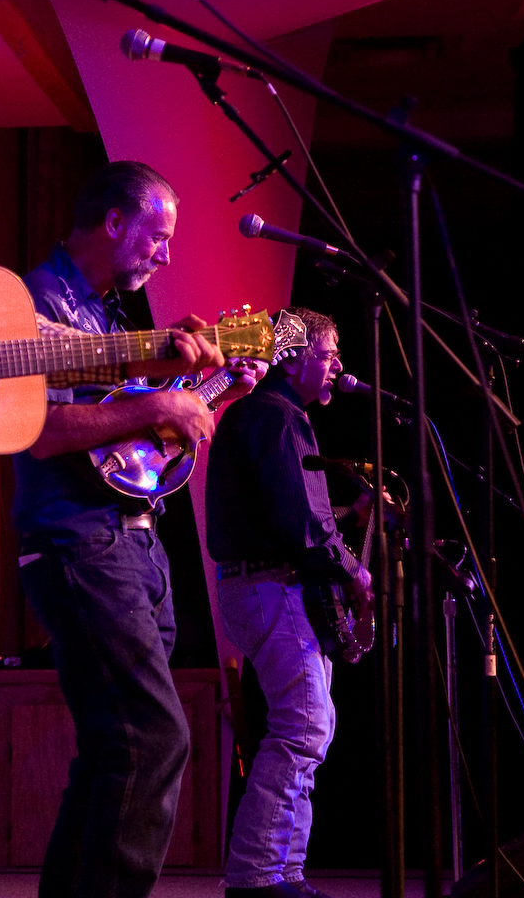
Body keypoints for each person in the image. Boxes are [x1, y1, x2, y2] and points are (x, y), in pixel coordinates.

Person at [12, 161, 252, 898]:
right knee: (155, 739)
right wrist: (158, 408)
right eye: (158, 235)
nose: (166, 255)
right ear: (113, 222)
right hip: (81, 543)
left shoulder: (116, 316)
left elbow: (136, 453)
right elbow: (41, 431)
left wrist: (216, 392)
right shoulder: (38, 301)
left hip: (133, 543)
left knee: (114, 750)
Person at [206, 308, 372, 898]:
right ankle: (256, 877)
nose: (338, 368)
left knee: (310, 729)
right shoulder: (277, 418)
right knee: (304, 728)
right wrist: (358, 572)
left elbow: (289, 519)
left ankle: (283, 872)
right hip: (269, 587)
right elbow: (301, 525)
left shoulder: (265, 416)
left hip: (260, 585)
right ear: (296, 357)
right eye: (330, 356)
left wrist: (349, 522)